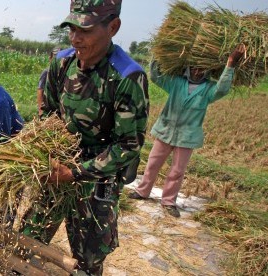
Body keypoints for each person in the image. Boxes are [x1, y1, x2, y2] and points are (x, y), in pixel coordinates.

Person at [21, 0, 149, 274]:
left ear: (113, 27)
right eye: (72, 29)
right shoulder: (62, 63)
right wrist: (46, 152)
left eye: (86, 30)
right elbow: (49, 114)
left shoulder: (127, 77)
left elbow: (128, 145)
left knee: (88, 261)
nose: (76, 38)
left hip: (95, 178)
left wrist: (76, 172)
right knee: (27, 239)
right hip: (57, 169)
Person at [128, 44, 246, 218]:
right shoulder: (176, 82)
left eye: (202, 68)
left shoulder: (208, 89)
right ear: (188, 67)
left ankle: (168, 201)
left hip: (187, 136)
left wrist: (230, 63)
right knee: (152, 164)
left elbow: (222, 89)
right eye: (194, 67)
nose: (197, 71)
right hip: (165, 130)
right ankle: (142, 191)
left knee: (177, 171)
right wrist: (158, 53)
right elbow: (156, 76)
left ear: (208, 70)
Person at [36, 47, 60, 119]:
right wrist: (40, 110)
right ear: (50, 58)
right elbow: (40, 90)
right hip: (47, 109)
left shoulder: (63, 73)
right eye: (55, 58)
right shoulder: (47, 72)